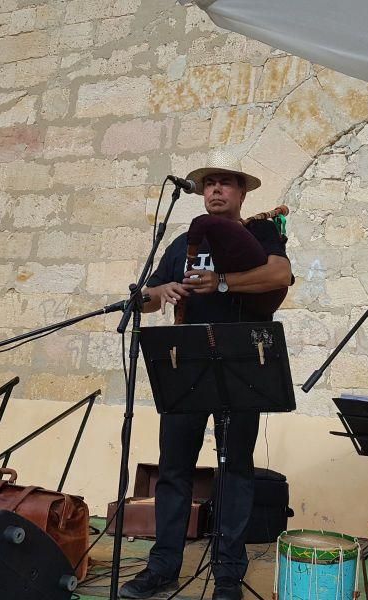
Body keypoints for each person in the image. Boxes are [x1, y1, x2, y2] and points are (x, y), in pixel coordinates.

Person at [119, 149, 293, 600]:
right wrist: (158, 290)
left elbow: (280, 275)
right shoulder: (182, 243)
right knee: (174, 469)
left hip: (240, 361)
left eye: (225, 183)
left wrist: (221, 284)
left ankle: (228, 576)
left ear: (241, 192)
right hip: (186, 362)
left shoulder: (260, 233)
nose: (215, 189)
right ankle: (163, 567)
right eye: (209, 183)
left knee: (236, 470)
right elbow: (152, 298)